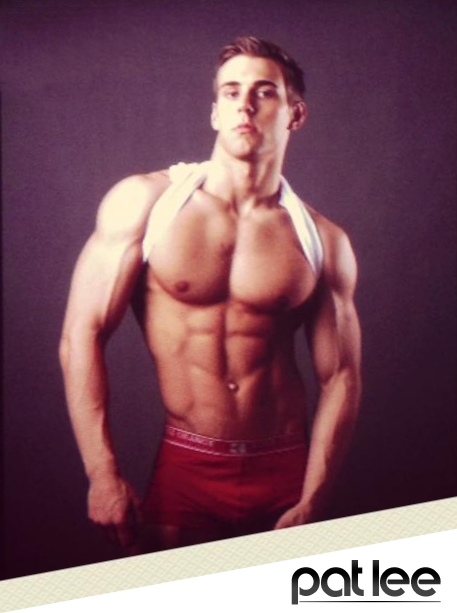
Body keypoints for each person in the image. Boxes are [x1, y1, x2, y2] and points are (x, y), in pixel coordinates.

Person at [59, 36, 362, 553]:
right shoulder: (145, 205)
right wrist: (102, 472)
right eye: (231, 92)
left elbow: (341, 376)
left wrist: (315, 497)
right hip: (187, 468)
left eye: (264, 92)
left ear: (295, 114)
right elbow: (81, 335)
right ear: (216, 112)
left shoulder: (322, 241)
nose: (245, 105)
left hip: (286, 470)